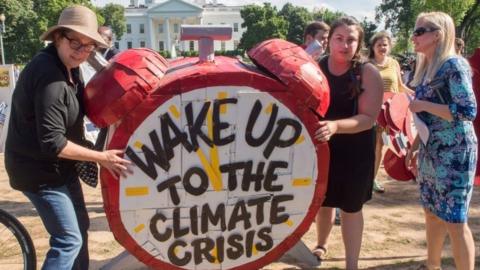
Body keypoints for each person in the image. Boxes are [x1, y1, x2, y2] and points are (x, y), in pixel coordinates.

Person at [4, 6, 131, 270]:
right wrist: (101, 157)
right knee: (68, 239)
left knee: (80, 228)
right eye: (75, 42)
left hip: (62, 168)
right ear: (58, 37)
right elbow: (52, 141)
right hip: (39, 171)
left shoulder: (70, 69)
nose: (81, 51)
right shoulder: (49, 74)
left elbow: (86, 110)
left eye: (88, 46)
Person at [406, 12, 476, 270]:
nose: (414, 36)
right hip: (431, 150)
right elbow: (425, 117)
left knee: (455, 221)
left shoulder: (454, 66)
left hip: (455, 152)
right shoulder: (426, 68)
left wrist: (422, 103)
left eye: (419, 31)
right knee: (431, 213)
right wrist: (415, 146)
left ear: (437, 34)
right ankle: (432, 266)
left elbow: (467, 111)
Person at [313, 16, 383, 269]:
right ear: (329, 40)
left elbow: (367, 119)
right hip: (323, 147)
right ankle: (320, 245)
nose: (344, 45)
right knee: (324, 201)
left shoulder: (368, 73)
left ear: (359, 43)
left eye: (351, 40)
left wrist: (335, 126)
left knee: (351, 207)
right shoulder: (315, 68)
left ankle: (351, 263)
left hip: (356, 150)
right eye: (339, 38)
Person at [368, 31, 413, 193]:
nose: (382, 47)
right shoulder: (367, 65)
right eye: (379, 45)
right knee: (369, 145)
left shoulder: (394, 63)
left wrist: (416, 95)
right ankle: (364, 178)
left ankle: (372, 179)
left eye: (385, 45)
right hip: (371, 111)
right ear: (373, 47)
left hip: (389, 114)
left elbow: (400, 86)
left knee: (380, 145)